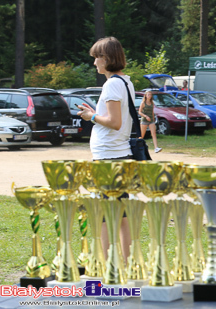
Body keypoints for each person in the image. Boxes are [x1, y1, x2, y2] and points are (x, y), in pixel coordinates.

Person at [76, 36, 132, 261]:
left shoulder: (111, 84)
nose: (94, 63)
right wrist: (96, 114)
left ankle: (107, 264)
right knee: (122, 213)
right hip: (118, 154)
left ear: (107, 58)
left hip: (109, 157)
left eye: (97, 57)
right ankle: (127, 262)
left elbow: (115, 122)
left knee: (104, 215)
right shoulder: (125, 81)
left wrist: (92, 116)